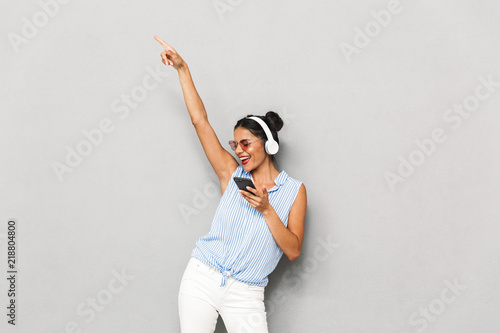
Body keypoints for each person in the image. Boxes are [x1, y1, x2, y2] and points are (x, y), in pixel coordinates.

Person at [154, 35, 307, 333]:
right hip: (203, 277)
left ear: (268, 145)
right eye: (235, 144)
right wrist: (183, 69)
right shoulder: (231, 173)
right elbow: (200, 121)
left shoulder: (294, 191)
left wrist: (267, 209)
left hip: (246, 294)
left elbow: (293, 250)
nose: (239, 150)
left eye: (246, 143)